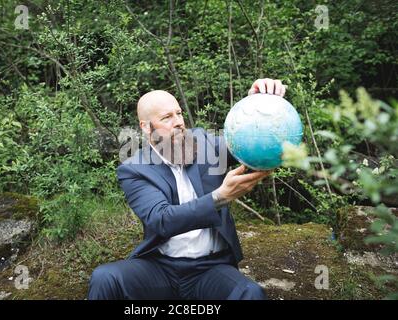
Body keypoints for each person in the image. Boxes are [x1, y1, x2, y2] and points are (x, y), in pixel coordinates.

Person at [88, 78, 287, 300]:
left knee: (251, 294)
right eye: (166, 117)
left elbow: (246, 144)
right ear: (146, 127)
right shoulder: (135, 169)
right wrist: (219, 197)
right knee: (105, 278)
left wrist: (255, 107)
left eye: (179, 113)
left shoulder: (206, 145)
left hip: (210, 269)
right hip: (159, 269)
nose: (178, 122)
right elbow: (161, 220)